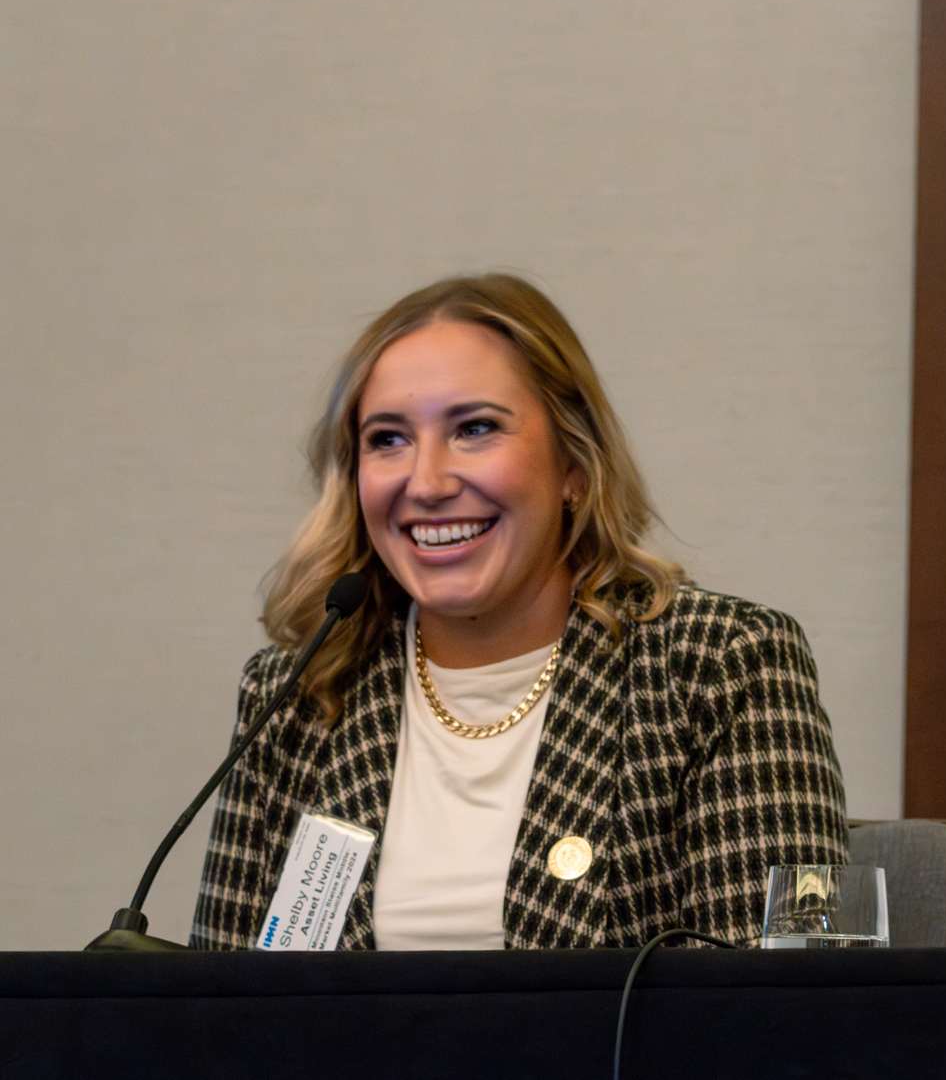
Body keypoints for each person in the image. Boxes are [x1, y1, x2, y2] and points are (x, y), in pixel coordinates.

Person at [191, 274, 847, 950]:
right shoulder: (296, 694)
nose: (428, 482)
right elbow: (210, 1027)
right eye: (388, 439)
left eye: (474, 429)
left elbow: (788, 1016)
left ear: (574, 463)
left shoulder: (724, 664)